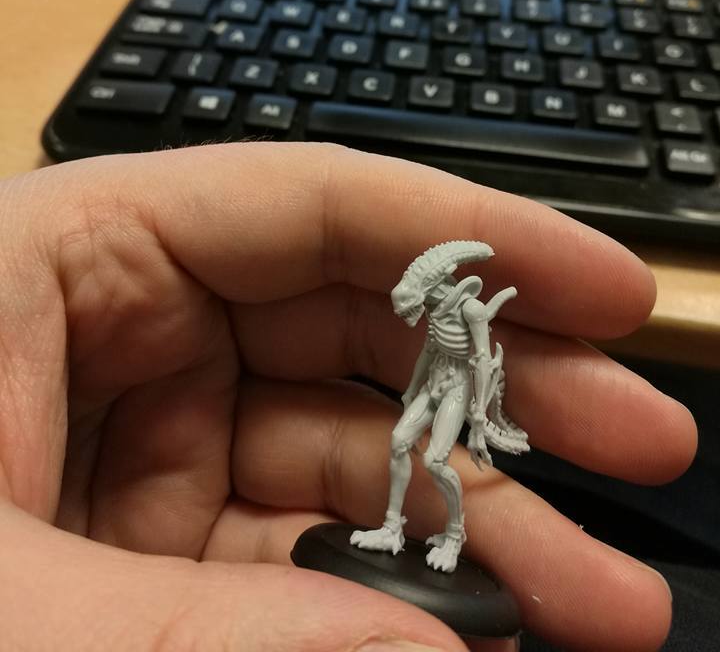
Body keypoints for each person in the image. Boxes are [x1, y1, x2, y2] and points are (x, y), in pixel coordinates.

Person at [0, 141, 697, 652]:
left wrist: (483, 413)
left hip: (463, 385)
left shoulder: (469, 308)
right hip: (433, 377)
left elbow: (479, 360)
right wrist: (415, 387)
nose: (410, 307)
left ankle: (452, 533)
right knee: (396, 442)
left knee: (437, 461)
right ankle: (393, 526)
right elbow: (425, 355)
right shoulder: (430, 316)